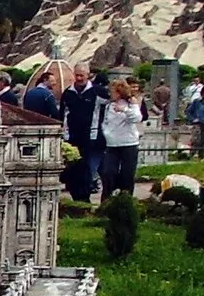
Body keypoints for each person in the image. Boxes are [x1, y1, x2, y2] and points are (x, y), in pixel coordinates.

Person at [59, 63, 105, 201]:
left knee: (90, 170)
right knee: (74, 170)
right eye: (77, 75)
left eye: (82, 75)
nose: (79, 78)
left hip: (93, 138)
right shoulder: (68, 93)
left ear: (88, 75)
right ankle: (78, 198)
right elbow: (63, 115)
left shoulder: (98, 92)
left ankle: (85, 197)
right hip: (73, 138)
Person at [99, 79, 142, 204]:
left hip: (128, 144)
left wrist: (125, 110)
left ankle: (126, 200)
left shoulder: (131, 104)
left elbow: (137, 118)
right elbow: (106, 122)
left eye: (112, 91)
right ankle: (107, 200)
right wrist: (106, 132)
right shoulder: (109, 106)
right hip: (112, 144)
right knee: (108, 172)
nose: (110, 94)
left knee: (127, 175)